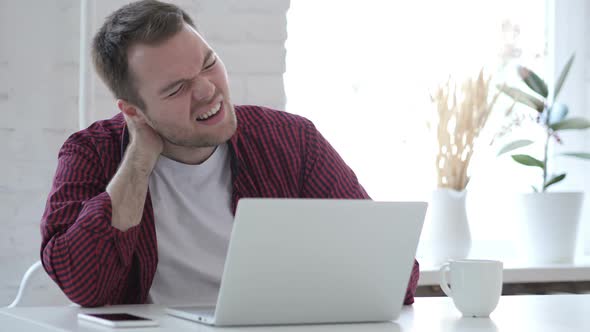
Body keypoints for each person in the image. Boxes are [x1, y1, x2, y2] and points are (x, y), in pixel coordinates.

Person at [40, 0, 419, 307]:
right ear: (134, 112)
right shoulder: (91, 153)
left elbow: (395, 273)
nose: (207, 90)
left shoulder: (290, 139)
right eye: (176, 89)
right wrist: (138, 163)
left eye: (209, 63)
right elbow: (85, 288)